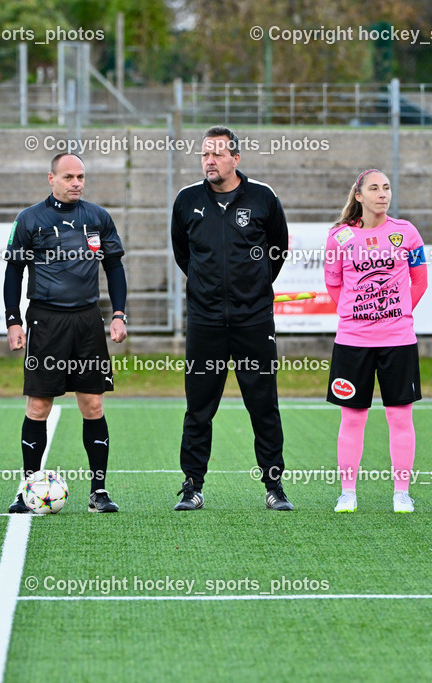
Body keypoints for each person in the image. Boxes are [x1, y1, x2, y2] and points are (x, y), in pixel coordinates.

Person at [170, 126, 292, 511]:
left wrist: (251, 291)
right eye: (205, 153)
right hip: (205, 322)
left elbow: (278, 250)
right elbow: (183, 255)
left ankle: (274, 487)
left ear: (236, 159)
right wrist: (208, 292)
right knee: (199, 406)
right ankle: (192, 486)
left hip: (253, 321)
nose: (210, 160)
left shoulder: (262, 198)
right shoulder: (186, 201)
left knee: (263, 404)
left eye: (218, 154)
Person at [4, 152, 128, 514]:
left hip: (88, 322)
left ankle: (99, 492)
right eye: (69, 177)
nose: (77, 183)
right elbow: (13, 273)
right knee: (39, 405)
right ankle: (28, 488)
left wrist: (118, 314)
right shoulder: (29, 219)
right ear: (51, 179)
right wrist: (14, 321)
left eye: (81, 177)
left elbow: (115, 267)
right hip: (46, 321)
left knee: (93, 404)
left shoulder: (97, 217)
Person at [323, 169, 428, 513]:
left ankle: (401, 494)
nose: (382, 194)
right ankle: (348, 493)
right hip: (353, 341)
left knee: (400, 416)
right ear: (359, 196)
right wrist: (359, 315)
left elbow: (419, 282)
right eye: (374, 188)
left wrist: (393, 313)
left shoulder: (407, 233)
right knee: (353, 417)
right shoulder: (339, 238)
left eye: (386, 188)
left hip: (398, 339)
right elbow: (335, 286)